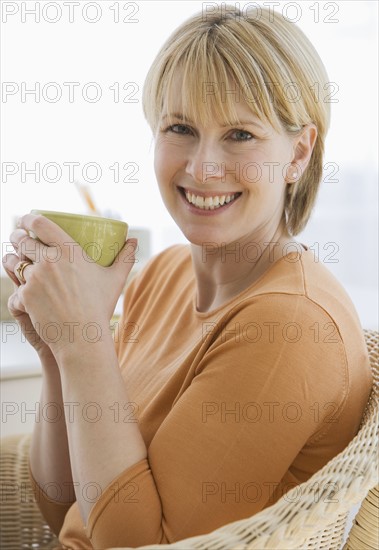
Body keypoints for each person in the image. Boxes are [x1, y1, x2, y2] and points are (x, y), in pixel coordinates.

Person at [2, 5, 373, 549]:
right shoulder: (166, 274)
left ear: (298, 152)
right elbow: (65, 507)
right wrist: (59, 350)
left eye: (240, 135)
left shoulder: (289, 326)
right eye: (180, 128)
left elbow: (134, 545)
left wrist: (86, 345)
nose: (202, 167)